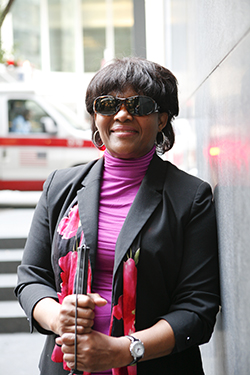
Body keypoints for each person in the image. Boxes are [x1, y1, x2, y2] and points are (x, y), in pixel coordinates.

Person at [15, 57, 220, 375]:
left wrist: (125, 351)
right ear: (96, 116)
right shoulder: (59, 186)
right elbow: (31, 278)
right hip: (69, 365)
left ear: (162, 118)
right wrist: (58, 317)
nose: (122, 114)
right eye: (108, 104)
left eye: (139, 105)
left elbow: (198, 307)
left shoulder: (190, 197)